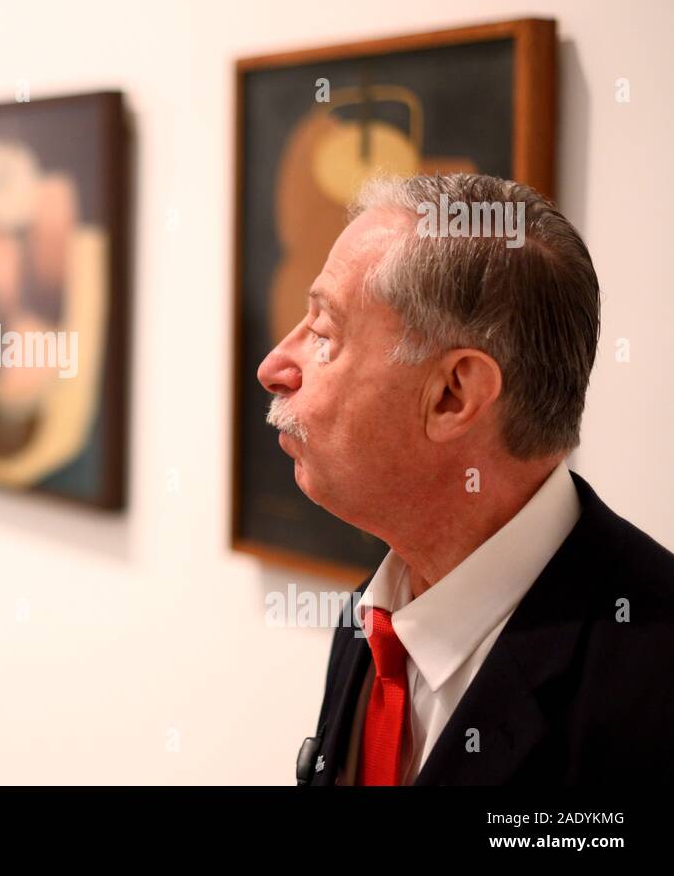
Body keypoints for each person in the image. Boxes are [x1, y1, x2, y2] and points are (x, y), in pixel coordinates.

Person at [257, 172, 674, 785]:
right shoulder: (374, 616)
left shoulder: (652, 683)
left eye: (323, 333)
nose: (274, 367)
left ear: (453, 395)